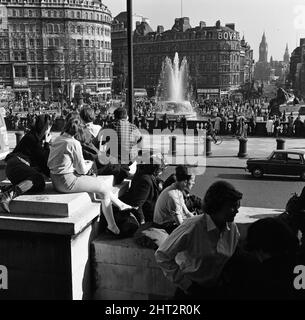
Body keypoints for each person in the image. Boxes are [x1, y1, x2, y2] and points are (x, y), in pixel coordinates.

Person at [47, 112, 134, 236]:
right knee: (103, 189)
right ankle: (112, 226)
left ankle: (120, 204)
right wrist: (88, 163)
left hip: (56, 179)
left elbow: (51, 162)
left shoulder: (57, 139)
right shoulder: (74, 143)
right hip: (67, 181)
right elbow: (82, 170)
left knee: (96, 183)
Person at [155, 181, 242, 300]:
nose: (236, 211)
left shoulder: (232, 228)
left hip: (217, 289)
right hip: (191, 292)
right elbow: (162, 255)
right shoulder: (192, 227)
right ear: (217, 206)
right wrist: (187, 285)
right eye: (232, 207)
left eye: (237, 206)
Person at [0, 114, 53, 212]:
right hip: (16, 164)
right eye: (49, 127)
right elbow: (43, 161)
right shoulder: (32, 139)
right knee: (37, 178)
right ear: (45, 127)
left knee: (39, 186)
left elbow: (41, 163)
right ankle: (7, 196)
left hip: (15, 166)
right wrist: (47, 144)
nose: (50, 130)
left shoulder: (34, 137)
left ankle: (6, 189)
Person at [120, 152, 165, 224]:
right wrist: (142, 221)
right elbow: (137, 205)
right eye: (160, 170)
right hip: (149, 216)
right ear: (156, 169)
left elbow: (156, 178)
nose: (161, 173)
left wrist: (160, 183)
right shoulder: (145, 181)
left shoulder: (144, 171)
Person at [153, 166, 196, 233]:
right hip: (164, 227)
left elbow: (187, 212)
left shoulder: (177, 190)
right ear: (185, 181)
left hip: (171, 221)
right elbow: (181, 226)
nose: (194, 183)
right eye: (192, 180)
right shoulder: (173, 196)